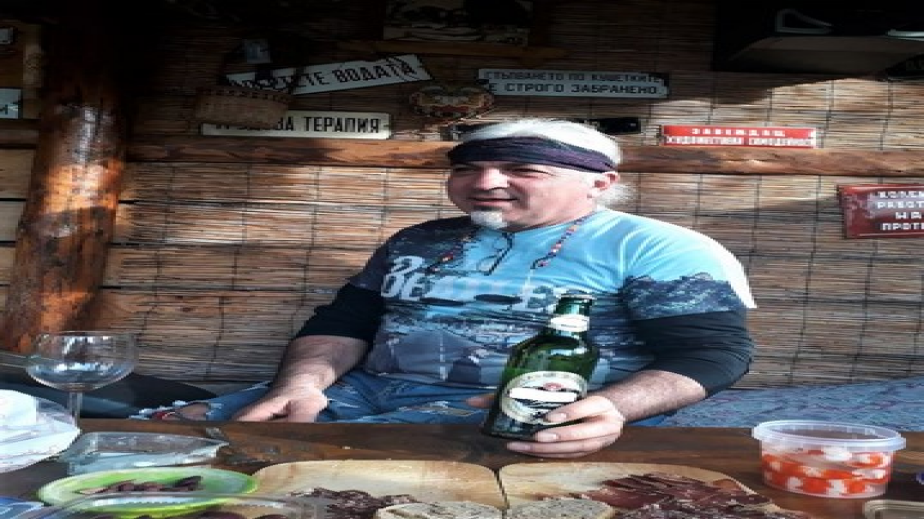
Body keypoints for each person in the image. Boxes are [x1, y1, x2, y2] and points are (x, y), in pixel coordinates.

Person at [136, 118, 756, 459]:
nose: (484, 183)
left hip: (529, 407)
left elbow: (710, 354)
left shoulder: (659, 247)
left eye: (521, 169)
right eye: (466, 168)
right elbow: (345, 323)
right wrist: (299, 385)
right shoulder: (420, 238)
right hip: (366, 390)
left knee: (354, 463)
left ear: (599, 183)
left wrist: (611, 409)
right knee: (168, 435)